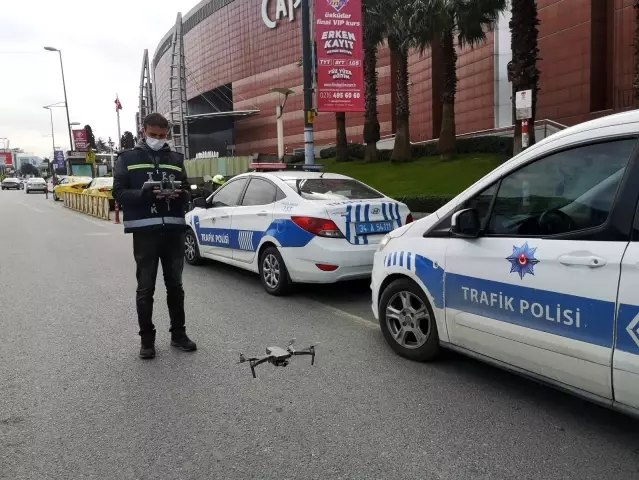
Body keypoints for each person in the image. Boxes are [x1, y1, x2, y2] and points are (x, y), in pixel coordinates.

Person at [113, 112, 196, 359]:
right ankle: (147, 340)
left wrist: (180, 194)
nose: (158, 139)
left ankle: (178, 335)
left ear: (167, 133)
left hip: (173, 230)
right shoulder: (127, 158)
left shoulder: (176, 158)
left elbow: (186, 189)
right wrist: (147, 194)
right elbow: (118, 192)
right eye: (153, 135)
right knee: (145, 288)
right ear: (143, 131)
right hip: (145, 232)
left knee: (176, 287)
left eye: (162, 135)